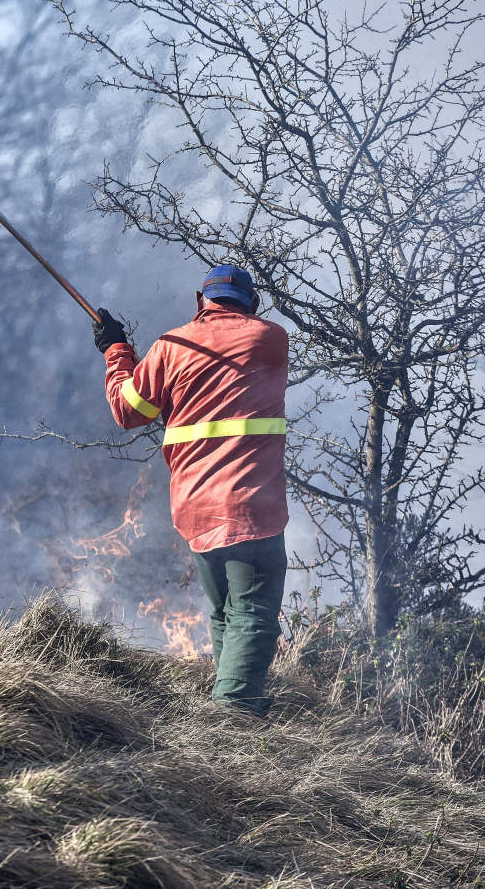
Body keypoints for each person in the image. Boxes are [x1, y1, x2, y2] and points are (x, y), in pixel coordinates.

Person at [93, 264, 288, 716]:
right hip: (250, 505)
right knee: (253, 612)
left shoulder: (171, 347)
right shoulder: (270, 338)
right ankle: (234, 716)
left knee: (224, 613)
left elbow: (129, 410)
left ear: (201, 301)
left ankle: (236, 705)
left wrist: (117, 351)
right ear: (252, 305)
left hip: (195, 507)